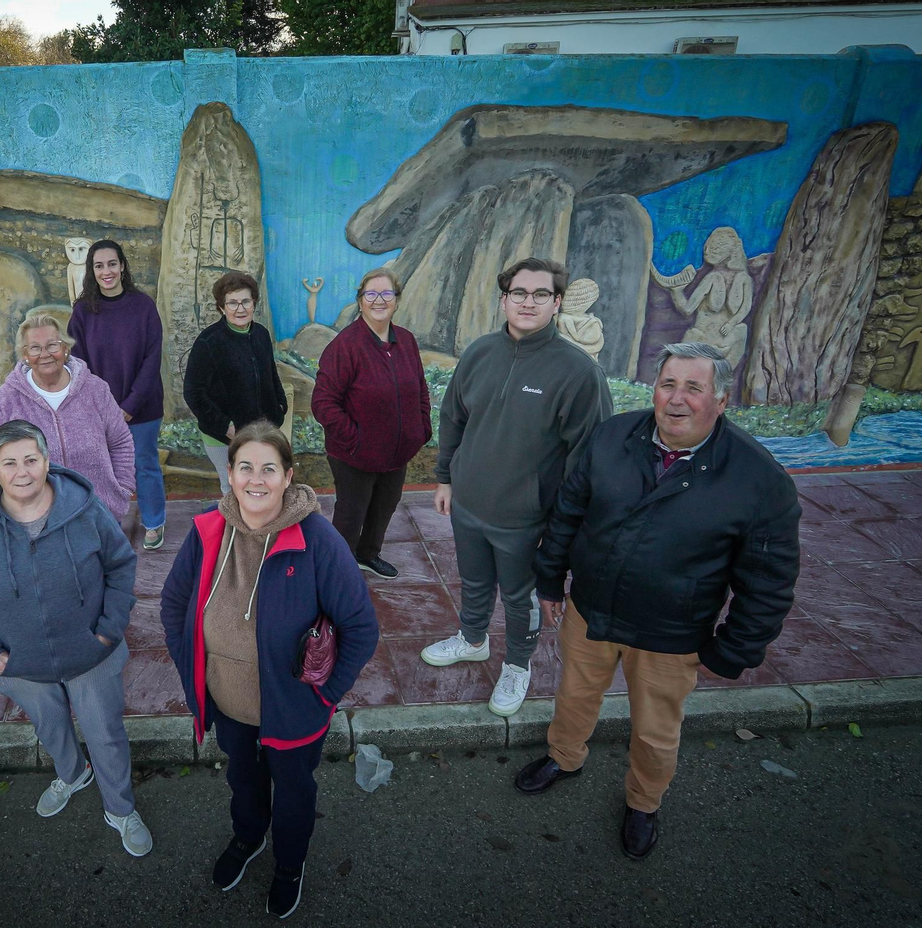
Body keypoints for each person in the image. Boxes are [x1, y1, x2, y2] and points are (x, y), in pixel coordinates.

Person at [519, 342, 801, 859]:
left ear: (721, 400)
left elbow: (768, 581)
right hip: (590, 611)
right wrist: (549, 579)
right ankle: (564, 757)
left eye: (694, 388)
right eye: (668, 384)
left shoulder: (759, 479)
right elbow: (568, 511)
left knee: (655, 730)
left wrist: (733, 649)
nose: (677, 399)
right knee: (574, 696)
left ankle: (644, 803)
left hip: (671, 633)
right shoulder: (612, 436)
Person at [160, 421, 379, 919]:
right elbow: (174, 605)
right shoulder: (207, 530)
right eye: (245, 468)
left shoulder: (318, 541)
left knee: (295, 792)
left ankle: (289, 865)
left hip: (294, 709)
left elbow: (361, 628)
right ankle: (248, 837)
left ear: (287, 476)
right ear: (231, 474)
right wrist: (194, 669)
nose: (255, 480)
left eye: (268, 469)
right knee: (243, 778)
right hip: (228, 700)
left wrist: (325, 697)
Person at [0, 419, 153, 857]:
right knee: (51, 727)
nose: (22, 472)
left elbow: (120, 565)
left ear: (47, 461)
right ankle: (73, 775)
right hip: (19, 664)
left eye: (31, 460)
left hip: (93, 654)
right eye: (10, 462)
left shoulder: (85, 508)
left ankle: (120, 808)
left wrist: (109, 630)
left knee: (105, 734)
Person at [422, 257, 613, 718]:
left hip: (527, 518)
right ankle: (472, 639)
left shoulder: (577, 372)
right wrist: (447, 477)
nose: (529, 302)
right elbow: (454, 418)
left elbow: (587, 459)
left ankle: (517, 664)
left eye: (541, 294)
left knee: (518, 596)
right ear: (504, 299)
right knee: (473, 580)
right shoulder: (480, 352)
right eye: (519, 293)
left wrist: (562, 527)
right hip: (468, 502)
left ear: (557, 302)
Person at [311, 267, 432, 579]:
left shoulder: (405, 341)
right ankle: (338, 568)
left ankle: (367, 554)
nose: (379, 300)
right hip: (354, 454)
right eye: (371, 294)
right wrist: (356, 439)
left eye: (387, 293)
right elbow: (323, 403)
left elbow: (420, 387)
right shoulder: (345, 346)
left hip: (396, 451)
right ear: (360, 301)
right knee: (351, 513)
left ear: (396, 300)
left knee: (384, 507)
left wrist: (421, 429)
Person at [0, 313, 135, 524]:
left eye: (52, 345)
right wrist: (6, 509)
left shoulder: (95, 390)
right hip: (36, 522)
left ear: (65, 349)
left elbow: (120, 441)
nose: (45, 354)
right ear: (25, 355)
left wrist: (122, 490)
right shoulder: (4, 401)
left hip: (100, 516)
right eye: (35, 348)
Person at [68, 240, 169, 550]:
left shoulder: (143, 305)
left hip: (143, 406)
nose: (106, 271)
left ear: (123, 266)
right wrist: (105, 407)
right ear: (92, 271)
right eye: (99, 266)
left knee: (144, 463)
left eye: (112, 264)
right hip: (99, 409)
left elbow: (153, 358)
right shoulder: (83, 310)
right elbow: (78, 362)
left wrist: (130, 405)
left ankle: (154, 521)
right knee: (103, 467)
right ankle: (108, 523)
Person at [183, 271, 287, 496]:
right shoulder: (208, 342)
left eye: (245, 301)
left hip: (261, 432)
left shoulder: (260, 334)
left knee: (260, 488)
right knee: (234, 492)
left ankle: (259, 532)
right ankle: (235, 533)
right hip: (224, 437)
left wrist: (279, 407)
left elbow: (271, 374)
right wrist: (226, 426)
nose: (240, 309)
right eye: (232, 303)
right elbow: (193, 393)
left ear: (254, 303)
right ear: (221, 307)